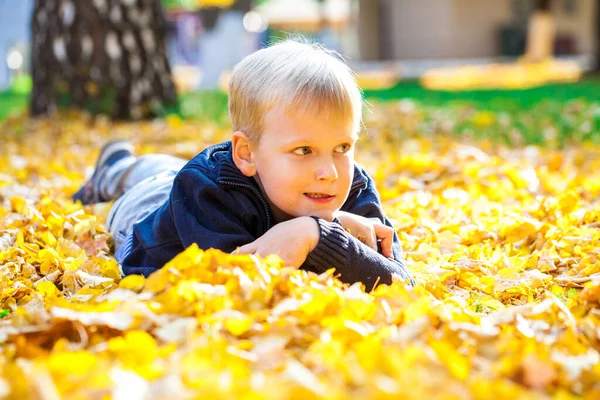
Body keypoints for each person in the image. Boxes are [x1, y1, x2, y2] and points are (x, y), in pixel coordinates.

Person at [73, 39, 415, 290]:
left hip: (207, 179)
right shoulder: (205, 190)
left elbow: (399, 284)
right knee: (158, 178)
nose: (329, 172)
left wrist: (316, 231)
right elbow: (235, 286)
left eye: (342, 147)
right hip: (144, 216)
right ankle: (115, 167)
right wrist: (327, 229)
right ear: (247, 153)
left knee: (171, 170)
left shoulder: (351, 184)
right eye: (303, 151)